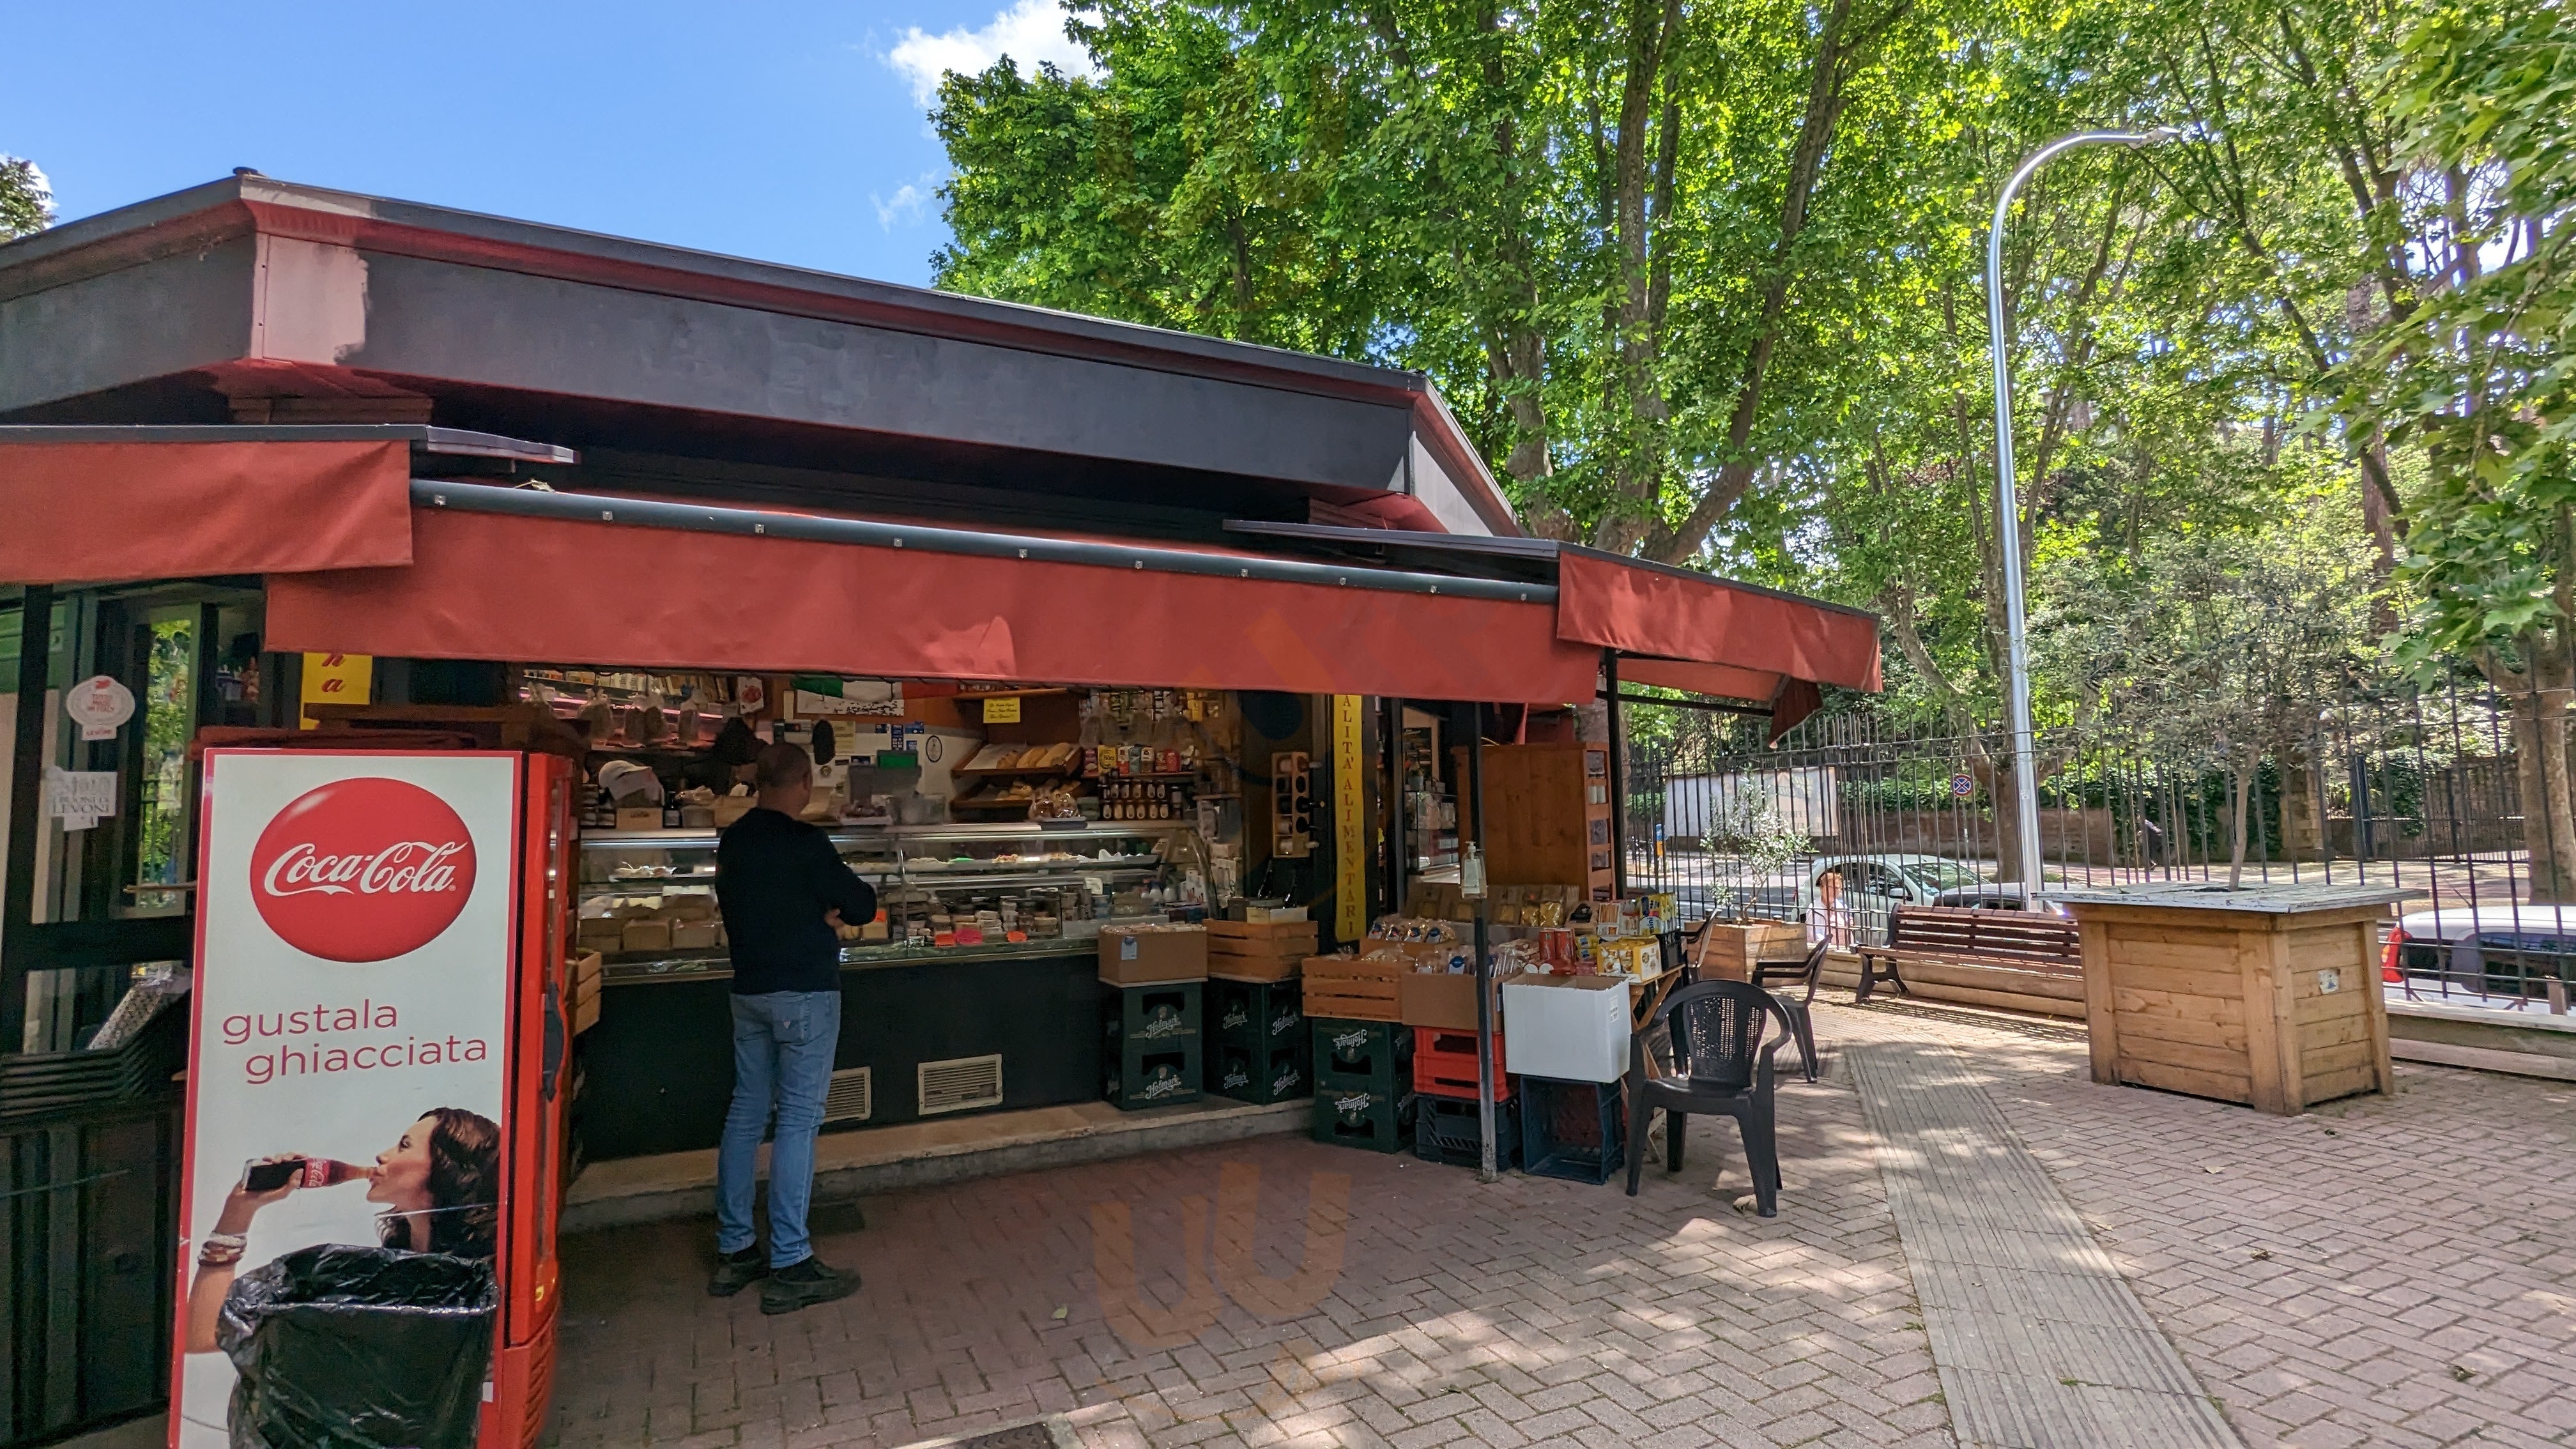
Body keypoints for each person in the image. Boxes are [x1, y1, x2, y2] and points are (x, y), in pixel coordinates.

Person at [709, 742, 876, 1314]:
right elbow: (861, 904)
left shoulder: (734, 839)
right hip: (804, 993)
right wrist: (822, 916)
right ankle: (791, 1260)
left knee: (746, 1112)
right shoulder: (807, 843)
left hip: (748, 992)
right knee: (799, 1122)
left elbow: (742, 904)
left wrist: (808, 913)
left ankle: (735, 1250)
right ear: (804, 783)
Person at [185, 1107, 500, 1354]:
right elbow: (204, 1334)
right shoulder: (375, 1277)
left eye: (404, 1146)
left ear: (447, 1169)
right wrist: (239, 1211)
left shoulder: (479, 1285)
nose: (383, 1155)